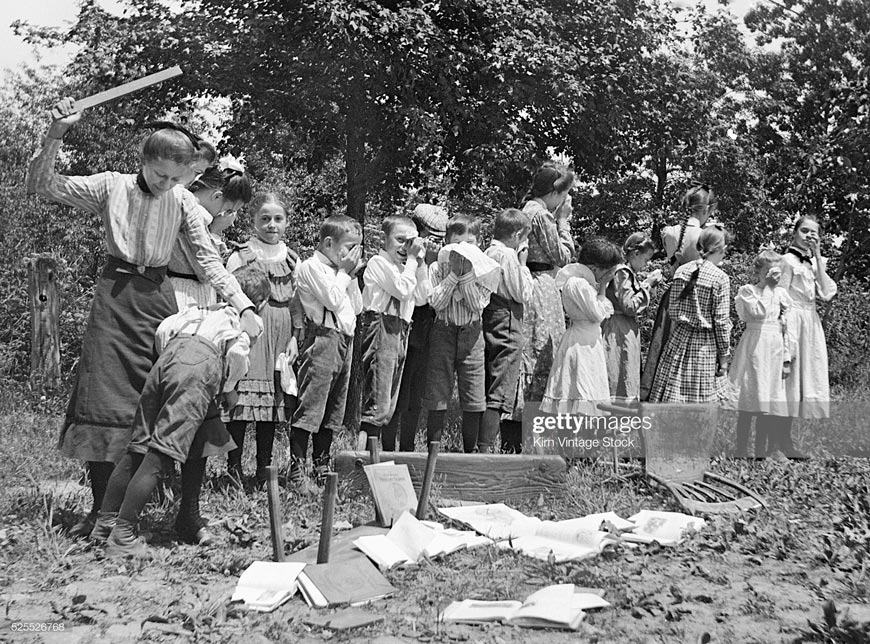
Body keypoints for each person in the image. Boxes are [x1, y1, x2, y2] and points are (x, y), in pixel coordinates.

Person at [25, 98, 262, 539]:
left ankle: (188, 517)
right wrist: (56, 132)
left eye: (178, 178)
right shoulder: (110, 186)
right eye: (160, 175)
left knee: (186, 396)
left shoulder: (184, 203)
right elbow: (42, 185)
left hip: (160, 302)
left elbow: (209, 262)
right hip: (114, 300)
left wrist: (243, 305)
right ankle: (104, 517)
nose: (168, 184)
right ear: (144, 161)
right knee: (107, 402)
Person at [94, 266, 270, 558]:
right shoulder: (241, 321)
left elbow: (164, 330)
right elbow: (238, 354)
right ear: (258, 303)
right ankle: (123, 535)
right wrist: (229, 387)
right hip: (196, 369)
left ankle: (105, 524)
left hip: (166, 361)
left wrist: (171, 361)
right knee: (163, 453)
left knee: (138, 447)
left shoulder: (198, 309)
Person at [162, 157, 253, 543]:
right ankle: (181, 507)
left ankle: (188, 509)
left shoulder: (200, 214)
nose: (230, 218)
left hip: (198, 302)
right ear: (216, 196)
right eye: (230, 210)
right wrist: (243, 305)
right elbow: (209, 269)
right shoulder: (191, 209)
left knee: (198, 408)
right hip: (181, 302)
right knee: (192, 403)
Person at [223, 193, 304, 486]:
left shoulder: (293, 258)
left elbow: (298, 302)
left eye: (278, 219)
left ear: (286, 222)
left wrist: (295, 337)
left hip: (281, 335)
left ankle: (263, 471)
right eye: (265, 219)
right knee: (243, 404)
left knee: (271, 408)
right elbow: (228, 295)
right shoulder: (241, 255)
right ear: (254, 221)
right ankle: (233, 471)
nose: (272, 225)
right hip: (251, 333)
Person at [289, 215, 364, 486]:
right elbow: (331, 301)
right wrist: (345, 273)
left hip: (345, 339)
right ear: (329, 243)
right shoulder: (311, 267)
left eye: (358, 248)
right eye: (349, 247)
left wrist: (350, 276)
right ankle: (297, 468)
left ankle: (321, 465)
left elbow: (356, 307)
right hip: (322, 339)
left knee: (333, 408)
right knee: (312, 404)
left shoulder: (343, 273)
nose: (353, 254)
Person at [357, 215, 430, 449]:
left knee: (388, 403)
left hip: (401, 333)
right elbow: (402, 290)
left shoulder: (406, 267)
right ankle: (362, 457)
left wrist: (421, 264)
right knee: (377, 403)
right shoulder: (379, 262)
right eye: (400, 240)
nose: (405, 246)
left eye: (410, 241)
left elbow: (421, 297)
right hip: (382, 330)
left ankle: (376, 456)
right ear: (384, 238)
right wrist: (411, 259)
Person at [640, 184, 717, 400]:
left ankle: (658, 393)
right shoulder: (706, 235)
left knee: (664, 346)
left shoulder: (670, 233)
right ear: (705, 209)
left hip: (672, 295)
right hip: (698, 300)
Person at [423, 215, 492, 452]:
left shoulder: (484, 270)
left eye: (469, 244)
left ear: (479, 244)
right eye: (457, 244)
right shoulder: (436, 268)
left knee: (473, 391)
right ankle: (433, 449)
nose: (463, 250)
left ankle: (470, 451)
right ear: (447, 244)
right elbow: (437, 302)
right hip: (443, 330)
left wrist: (466, 276)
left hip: (472, 335)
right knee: (438, 389)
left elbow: (477, 304)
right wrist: (453, 274)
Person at [382, 204, 448, 452]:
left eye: (440, 240)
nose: (435, 245)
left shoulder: (436, 260)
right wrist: (417, 258)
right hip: (398, 330)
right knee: (396, 393)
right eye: (430, 238)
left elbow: (428, 295)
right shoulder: (397, 261)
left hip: (424, 331)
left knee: (413, 396)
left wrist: (425, 260)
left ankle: (408, 449)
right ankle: (387, 447)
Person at [772, 215, 837, 458]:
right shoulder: (787, 261)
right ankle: (775, 444)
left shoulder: (814, 263)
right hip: (792, 322)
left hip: (810, 323)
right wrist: (783, 333)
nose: (809, 236)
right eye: (804, 231)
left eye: (814, 232)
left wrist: (818, 256)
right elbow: (779, 296)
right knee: (786, 385)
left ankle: (786, 442)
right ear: (794, 232)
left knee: (800, 385)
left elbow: (827, 292)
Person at [648, 226, 732, 404]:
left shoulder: (681, 271)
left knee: (672, 391)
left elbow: (673, 311)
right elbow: (721, 322)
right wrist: (724, 358)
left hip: (678, 339)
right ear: (720, 249)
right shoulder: (720, 278)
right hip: (703, 346)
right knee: (698, 398)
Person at [540, 239, 621, 414]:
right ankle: (575, 436)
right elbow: (598, 314)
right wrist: (604, 286)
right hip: (580, 342)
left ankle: (585, 436)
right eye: (607, 271)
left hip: (590, 340)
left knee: (589, 387)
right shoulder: (577, 284)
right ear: (594, 268)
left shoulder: (585, 284)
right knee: (580, 388)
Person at [519, 165, 576, 412]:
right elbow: (563, 256)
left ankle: (520, 416)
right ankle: (533, 416)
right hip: (541, 283)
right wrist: (563, 221)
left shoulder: (527, 209)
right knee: (542, 349)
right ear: (555, 193)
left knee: (529, 348)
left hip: (529, 280)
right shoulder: (541, 215)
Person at [728, 250, 794, 458]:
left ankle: (761, 452)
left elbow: (785, 327)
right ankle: (740, 450)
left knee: (768, 400)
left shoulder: (782, 295)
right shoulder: (749, 291)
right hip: (755, 347)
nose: (774, 276)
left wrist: (786, 358)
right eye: (769, 271)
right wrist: (768, 288)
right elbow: (758, 312)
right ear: (759, 271)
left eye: (777, 272)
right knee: (749, 399)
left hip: (773, 349)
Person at [479, 208, 532, 453]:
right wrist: (523, 264)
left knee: (490, 380)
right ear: (517, 234)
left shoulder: (487, 251)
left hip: (490, 317)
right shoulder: (508, 255)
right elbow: (522, 293)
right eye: (524, 238)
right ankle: (486, 447)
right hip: (507, 320)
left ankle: (482, 444)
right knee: (500, 387)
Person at [602, 233, 662, 403]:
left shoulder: (625, 273)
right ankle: (617, 422)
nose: (647, 263)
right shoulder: (623, 272)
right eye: (646, 258)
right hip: (619, 331)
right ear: (636, 253)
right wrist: (648, 285)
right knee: (619, 372)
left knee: (623, 372)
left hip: (623, 328)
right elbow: (629, 306)